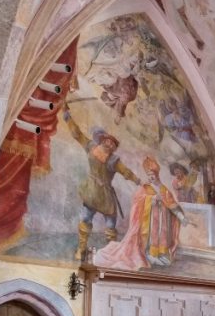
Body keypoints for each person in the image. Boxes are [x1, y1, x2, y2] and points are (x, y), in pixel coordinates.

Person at [62, 109, 141, 261]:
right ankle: (81, 250)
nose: (110, 144)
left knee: (111, 227)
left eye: (113, 144)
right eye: (108, 141)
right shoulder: (91, 147)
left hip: (106, 195)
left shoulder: (114, 160)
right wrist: (67, 117)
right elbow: (77, 134)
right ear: (103, 140)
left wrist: (137, 181)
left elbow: (126, 172)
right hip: (91, 192)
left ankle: (110, 254)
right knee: (85, 220)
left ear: (114, 147)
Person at [95, 156, 188, 270]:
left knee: (161, 237)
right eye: (149, 176)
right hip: (149, 222)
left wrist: (181, 217)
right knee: (150, 239)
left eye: (152, 175)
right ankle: (148, 254)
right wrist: (151, 199)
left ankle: (159, 254)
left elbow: (172, 204)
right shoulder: (145, 188)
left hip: (163, 222)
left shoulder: (164, 189)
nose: (151, 178)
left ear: (157, 175)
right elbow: (137, 200)